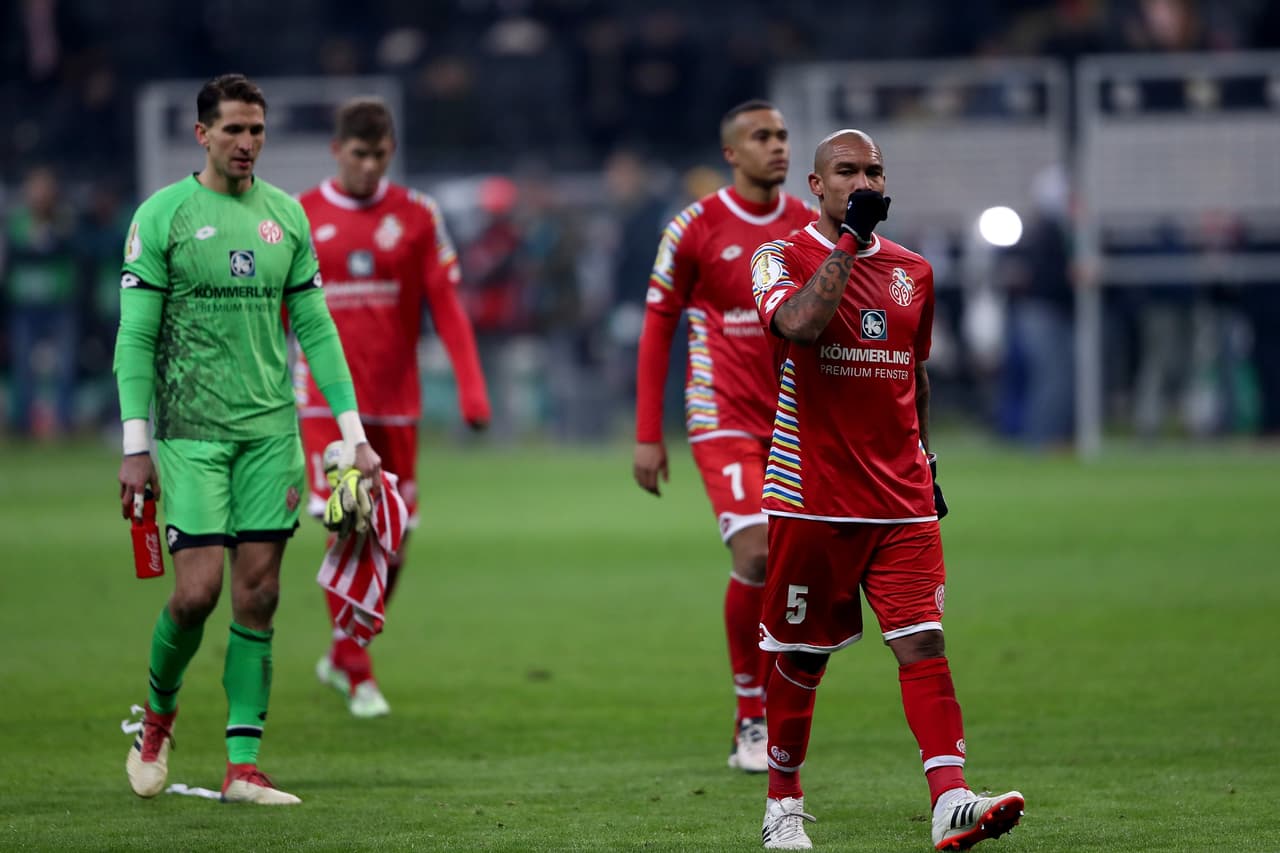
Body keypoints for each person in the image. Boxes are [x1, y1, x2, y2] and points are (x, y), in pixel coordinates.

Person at [748, 129, 1024, 850]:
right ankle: (783, 803)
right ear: (816, 185)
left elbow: (915, 371)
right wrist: (849, 244)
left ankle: (951, 797)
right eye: (847, 171)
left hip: (900, 497)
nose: (863, 182)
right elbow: (801, 326)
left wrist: (927, 461)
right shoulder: (778, 256)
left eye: (874, 170)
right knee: (803, 656)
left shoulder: (914, 271)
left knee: (923, 641)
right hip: (813, 495)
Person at [115, 74, 382, 805]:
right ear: (202, 135)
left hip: (270, 431)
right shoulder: (162, 215)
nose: (247, 143)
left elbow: (317, 329)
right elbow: (135, 337)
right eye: (233, 130)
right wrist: (137, 443)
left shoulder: (286, 218)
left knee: (259, 592)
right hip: (193, 432)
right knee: (196, 593)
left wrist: (354, 435)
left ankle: (243, 764)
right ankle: (159, 721)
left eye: (257, 130)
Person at [632, 99, 813, 773]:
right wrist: (649, 433)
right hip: (722, 416)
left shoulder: (807, 226)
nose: (778, 146)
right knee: (759, 554)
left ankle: (779, 706)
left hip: (797, 422)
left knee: (795, 571)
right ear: (731, 153)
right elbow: (657, 325)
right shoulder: (695, 226)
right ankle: (749, 717)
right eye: (762, 136)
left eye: (784, 134)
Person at [297, 97, 490, 717]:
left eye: (380, 154)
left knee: (394, 536)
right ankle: (358, 670)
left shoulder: (417, 215)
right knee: (349, 514)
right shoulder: (302, 216)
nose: (370, 166)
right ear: (336, 151)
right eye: (359, 154)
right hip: (324, 402)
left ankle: (340, 644)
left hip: (396, 401)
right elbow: (280, 311)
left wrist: (471, 386)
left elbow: (447, 304)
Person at [2, 166, 79, 437]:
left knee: (65, 365)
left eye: (45, 189)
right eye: (35, 189)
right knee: (23, 367)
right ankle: (22, 425)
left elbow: (71, 250)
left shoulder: (64, 219)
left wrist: (51, 238)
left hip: (59, 302)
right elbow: (13, 257)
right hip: (25, 304)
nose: (40, 195)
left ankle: (64, 423)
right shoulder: (17, 221)